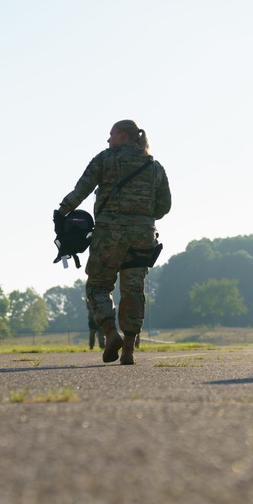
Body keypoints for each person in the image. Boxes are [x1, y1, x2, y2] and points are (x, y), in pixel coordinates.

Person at [56, 120, 172, 365]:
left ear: (121, 135)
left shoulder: (106, 159)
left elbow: (82, 189)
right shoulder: (155, 167)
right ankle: (129, 350)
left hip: (109, 234)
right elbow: (164, 207)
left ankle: (110, 333)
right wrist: (141, 215)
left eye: (110, 135)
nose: (108, 140)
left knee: (98, 286)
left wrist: (62, 211)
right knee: (133, 291)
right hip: (143, 235)